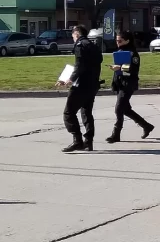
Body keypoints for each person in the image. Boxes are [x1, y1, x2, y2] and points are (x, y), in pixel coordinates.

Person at [55, 25, 103, 153]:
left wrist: (69, 79)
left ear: (76, 33)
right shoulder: (93, 45)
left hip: (81, 85)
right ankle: (89, 142)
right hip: (93, 84)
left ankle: (77, 141)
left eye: (72, 35)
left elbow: (79, 65)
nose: (72, 37)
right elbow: (97, 62)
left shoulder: (80, 45)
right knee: (86, 112)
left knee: (68, 113)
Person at [106, 31, 154, 143]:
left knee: (119, 109)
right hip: (120, 83)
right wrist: (116, 69)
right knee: (126, 110)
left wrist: (120, 68)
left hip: (128, 84)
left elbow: (133, 69)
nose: (117, 42)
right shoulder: (120, 51)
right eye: (116, 40)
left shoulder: (133, 53)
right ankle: (146, 126)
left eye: (120, 41)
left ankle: (116, 134)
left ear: (127, 40)